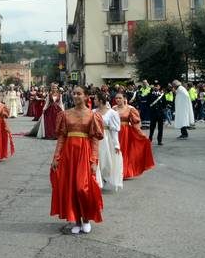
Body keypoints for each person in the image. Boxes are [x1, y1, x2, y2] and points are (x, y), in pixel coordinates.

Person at [50, 86, 104, 234]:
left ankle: (86, 218)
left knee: (82, 187)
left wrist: (94, 160)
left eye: (79, 94)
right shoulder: (65, 114)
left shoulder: (93, 116)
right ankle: (77, 220)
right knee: (71, 188)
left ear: (86, 96)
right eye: (74, 93)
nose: (76, 96)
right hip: (69, 153)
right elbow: (61, 137)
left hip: (84, 153)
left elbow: (94, 140)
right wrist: (56, 157)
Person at [113, 92, 155, 179]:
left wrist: (141, 134)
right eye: (116, 98)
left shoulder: (130, 109)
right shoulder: (113, 109)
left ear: (124, 99)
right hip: (114, 132)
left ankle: (123, 171)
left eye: (120, 98)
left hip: (125, 132)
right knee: (114, 151)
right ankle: (115, 171)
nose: (118, 100)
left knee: (124, 152)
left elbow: (136, 123)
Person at [93, 92, 123, 192]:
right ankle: (97, 181)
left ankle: (104, 178)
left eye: (96, 99)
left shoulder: (112, 113)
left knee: (106, 161)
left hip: (106, 138)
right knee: (96, 160)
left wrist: (116, 145)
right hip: (95, 139)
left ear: (101, 101)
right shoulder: (93, 112)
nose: (94, 101)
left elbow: (114, 131)